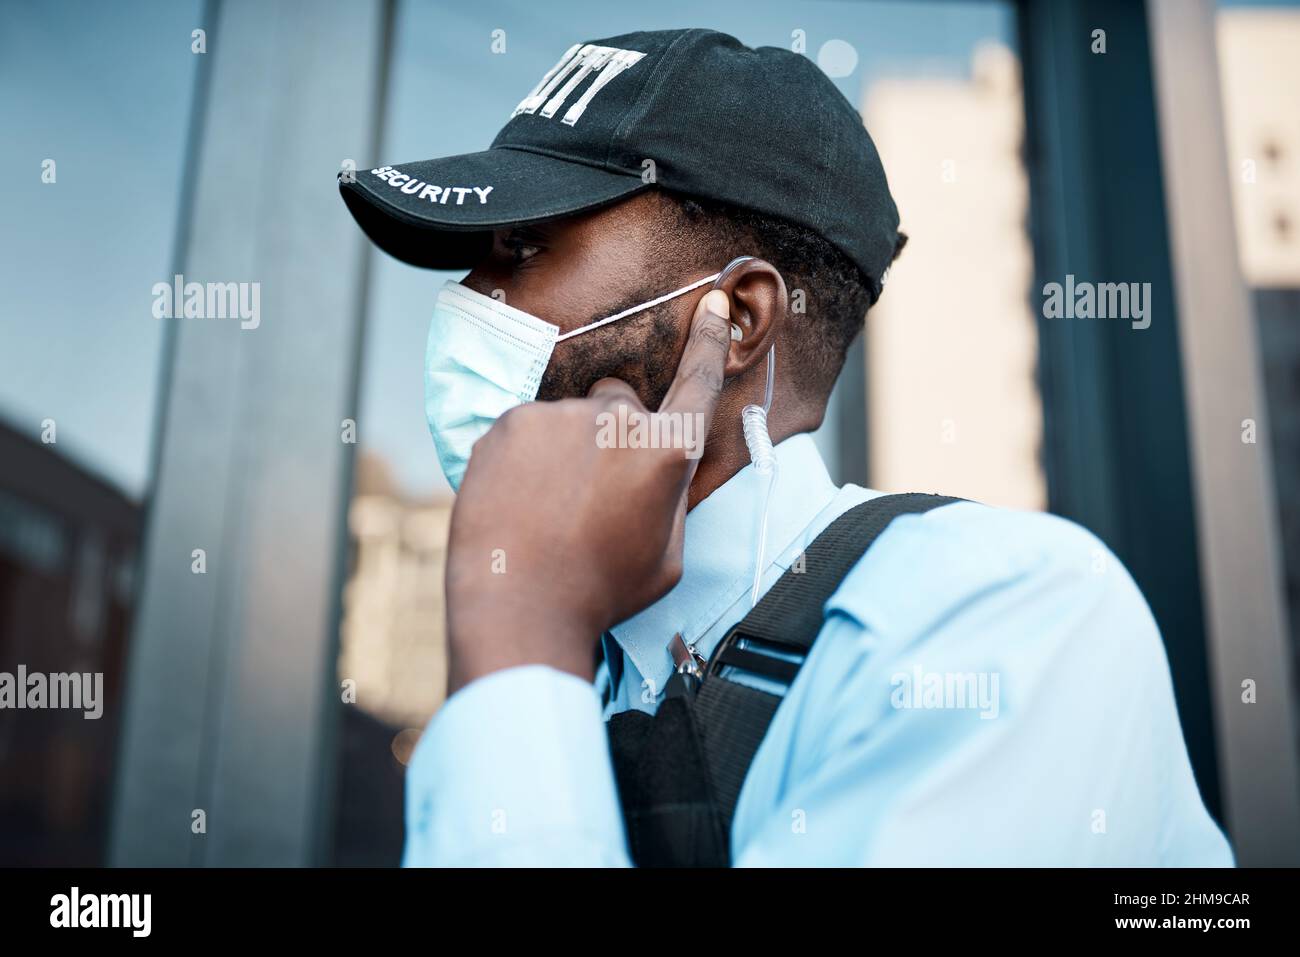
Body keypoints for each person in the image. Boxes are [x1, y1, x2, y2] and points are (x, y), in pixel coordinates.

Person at [339, 28, 1232, 866]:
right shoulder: (580, 667)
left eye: (523, 247)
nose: (468, 298)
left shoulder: (1001, 618)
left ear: (739, 320)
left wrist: (519, 628)